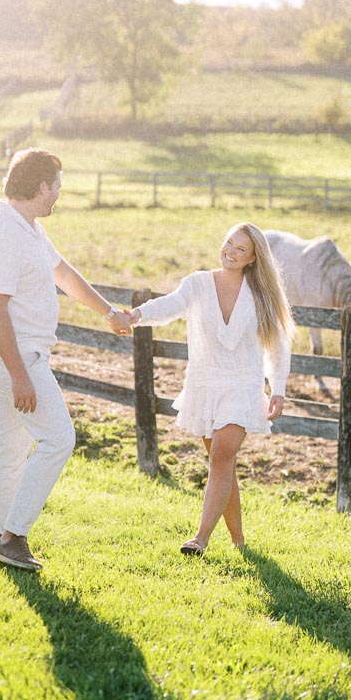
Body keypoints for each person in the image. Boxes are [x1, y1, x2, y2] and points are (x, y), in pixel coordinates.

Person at [0, 147, 133, 571]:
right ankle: (14, 537)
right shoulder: (5, 233)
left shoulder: (27, 229)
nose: (59, 195)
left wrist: (109, 313)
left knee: (12, 448)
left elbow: (63, 274)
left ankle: (0, 539)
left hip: (25, 353)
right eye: (57, 186)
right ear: (41, 185)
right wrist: (20, 376)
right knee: (59, 438)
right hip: (17, 355)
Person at [129, 222, 294, 556]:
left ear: (252, 259)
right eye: (228, 244)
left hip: (243, 385)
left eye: (240, 249)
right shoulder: (199, 283)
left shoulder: (262, 295)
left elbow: (278, 345)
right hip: (205, 384)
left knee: (221, 454)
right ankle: (239, 541)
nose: (230, 252)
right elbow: (168, 307)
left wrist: (278, 388)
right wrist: (135, 315)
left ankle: (200, 538)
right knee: (223, 462)